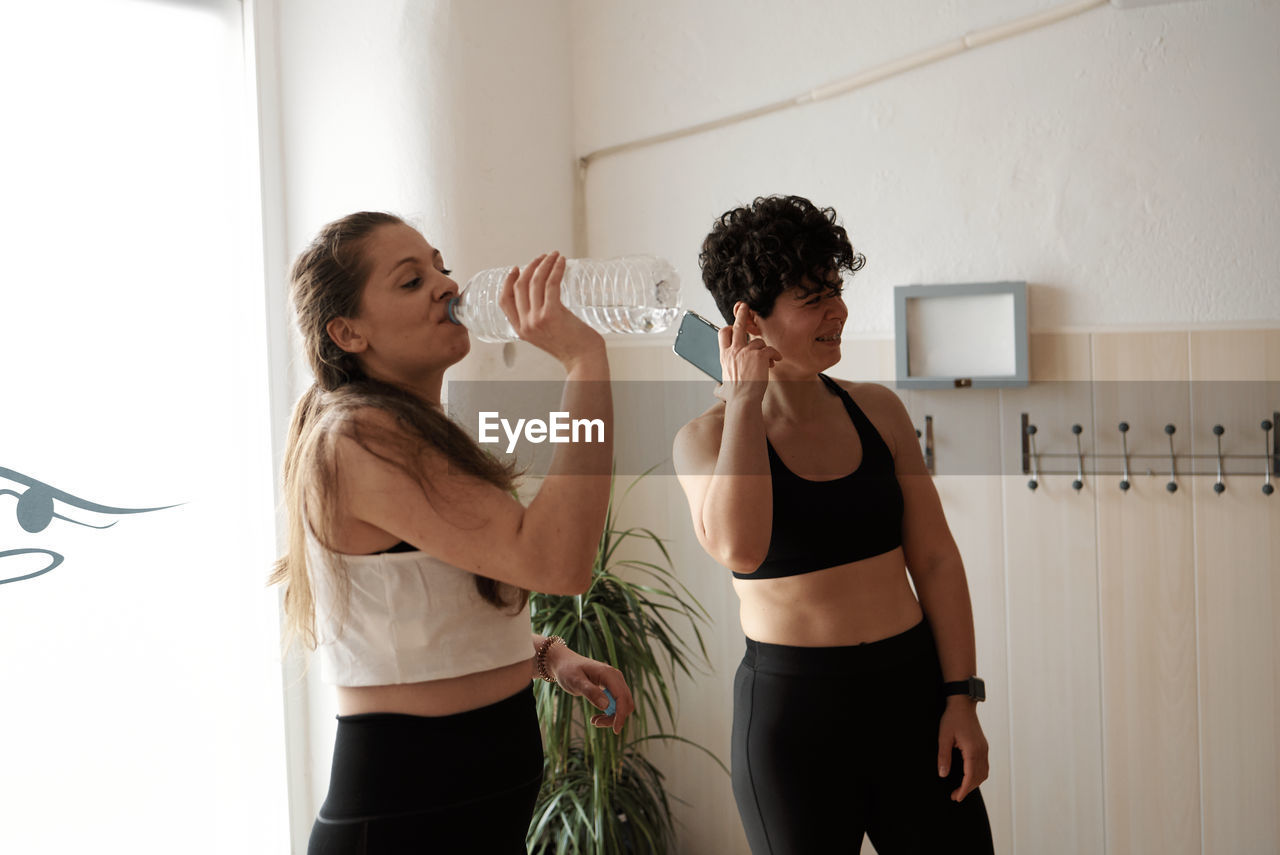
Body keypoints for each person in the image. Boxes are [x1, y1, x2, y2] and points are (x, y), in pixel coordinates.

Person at [269, 211, 635, 854]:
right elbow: (557, 562)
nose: (445, 284)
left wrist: (546, 655)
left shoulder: (419, 433)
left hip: (469, 817)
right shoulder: (356, 437)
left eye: (440, 266)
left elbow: (420, 610)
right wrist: (583, 359)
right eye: (412, 281)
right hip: (404, 824)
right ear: (348, 331)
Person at [672, 196, 994, 854]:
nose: (837, 310)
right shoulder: (702, 440)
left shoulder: (878, 410)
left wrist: (961, 693)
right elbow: (741, 545)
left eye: (836, 289)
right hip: (793, 722)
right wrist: (743, 401)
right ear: (748, 317)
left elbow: (934, 559)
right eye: (812, 296)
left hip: (910, 696)